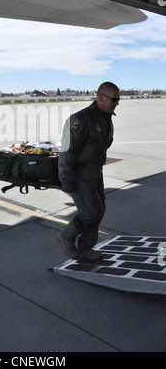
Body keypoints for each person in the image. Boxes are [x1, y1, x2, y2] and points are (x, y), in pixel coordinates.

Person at [57, 82, 120, 260]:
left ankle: (85, 248)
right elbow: (66, 151)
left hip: (95, 172)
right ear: (101, 98)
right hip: (79, 173)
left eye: (118, 100)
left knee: (99, 211)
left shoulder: (106, 119)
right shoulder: (80, 120)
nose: (117, 103)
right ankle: (66, 236)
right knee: (90, 212)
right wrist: (66, 179)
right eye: (114, 99)